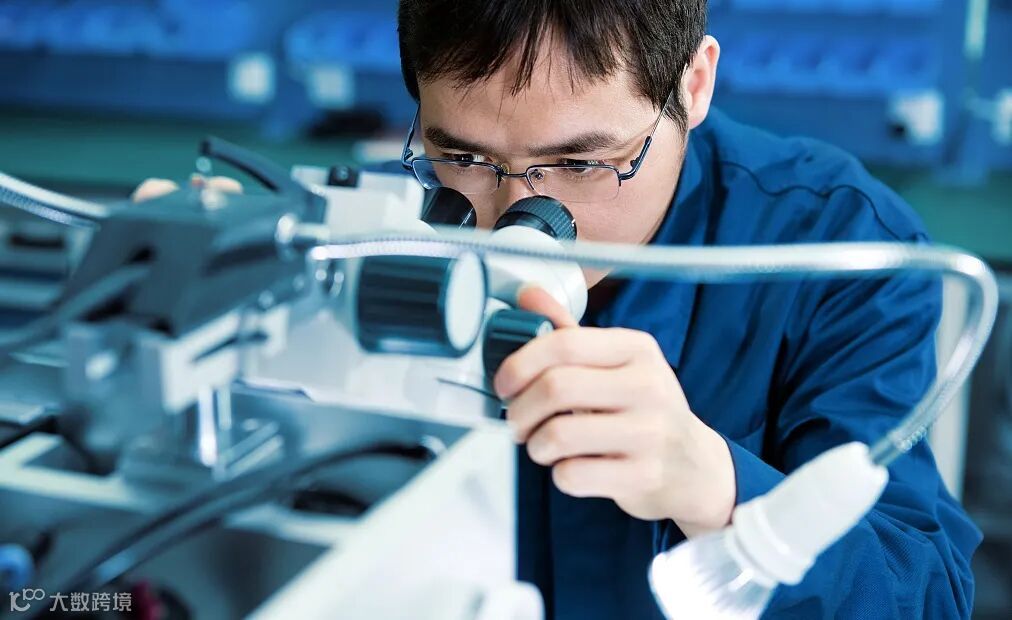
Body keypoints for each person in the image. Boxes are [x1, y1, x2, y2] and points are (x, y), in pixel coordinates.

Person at [135, 2, 981, 618]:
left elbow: (926, 594)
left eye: (581, 164)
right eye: (465, 158)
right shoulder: (383, 227)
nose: (517, 219)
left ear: (693, 84)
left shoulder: (836, 246)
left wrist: (714, 486)